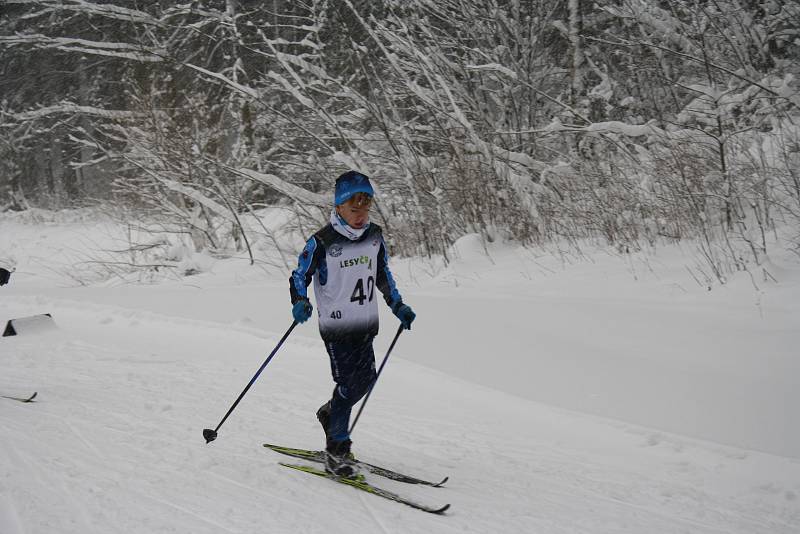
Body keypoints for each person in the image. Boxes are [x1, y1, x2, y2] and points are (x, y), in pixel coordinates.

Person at [289, 170, 416, 477]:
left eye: (365, 209)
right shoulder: (322, 242)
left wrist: (397, 305)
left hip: (366, 323)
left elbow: (382, 274)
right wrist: (300, 301)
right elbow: (299, 276)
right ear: (338, 208)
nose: (361, 216)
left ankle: (331, 415)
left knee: (365, 380)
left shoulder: (374, 236)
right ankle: (338, 450)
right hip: (336, 327)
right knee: (348, 384)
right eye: (353, 210)